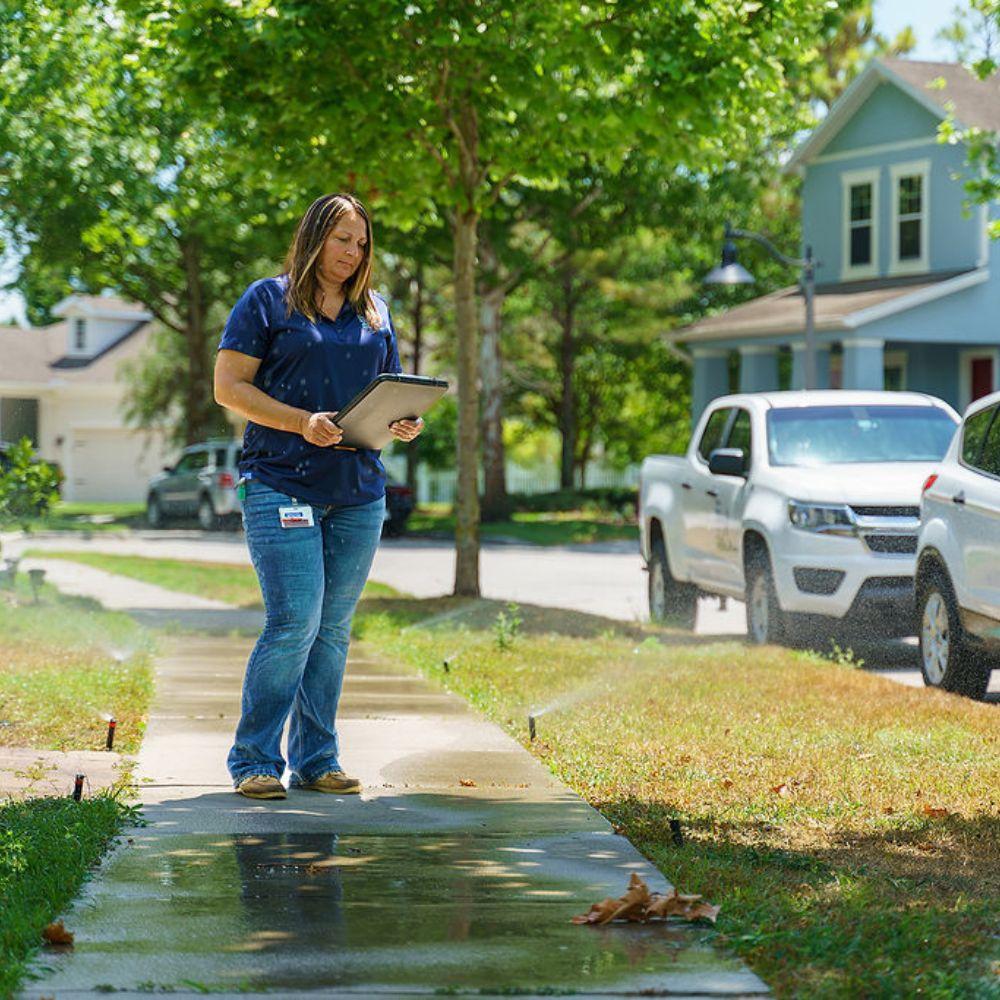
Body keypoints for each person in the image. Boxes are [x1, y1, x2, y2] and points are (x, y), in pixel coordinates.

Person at [213, 192, 423, 800]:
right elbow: (229, 388)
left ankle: (316, 758)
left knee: (332, 629)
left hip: (358, 493)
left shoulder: (376, 312)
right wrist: (302, 421)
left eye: (361, 244)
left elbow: (390, 390)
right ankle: (253, 758)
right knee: (294, 622)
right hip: (280, 480)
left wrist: (403, 420)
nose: (352, 254)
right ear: (313, 239)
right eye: (341, 240)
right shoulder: (266, 300)